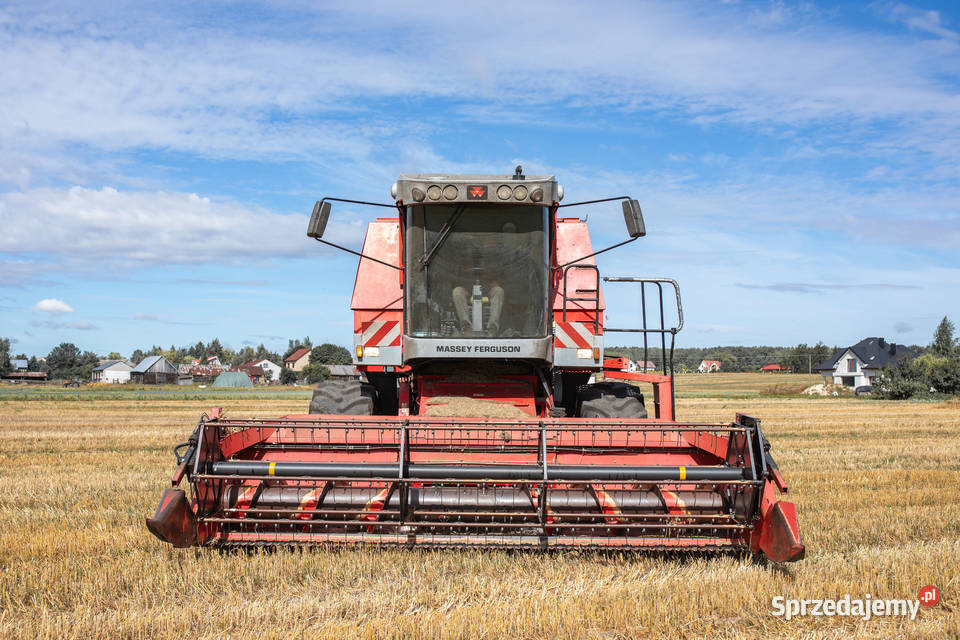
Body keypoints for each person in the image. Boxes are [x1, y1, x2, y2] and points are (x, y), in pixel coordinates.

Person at [451, 222, 516, 335]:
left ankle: (493, 327)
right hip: (468, 288)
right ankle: (466, 327)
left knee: (499, 291)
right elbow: (457, 278)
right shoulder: (464, 260)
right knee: (457, 292)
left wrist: (496, 282)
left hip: (487, 287)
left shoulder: (493, 259)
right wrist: (467, 282)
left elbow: (502, 275)